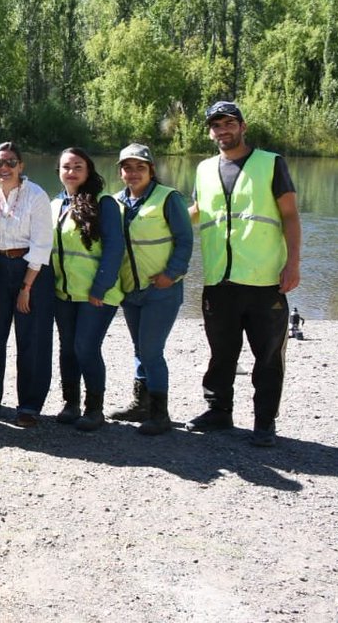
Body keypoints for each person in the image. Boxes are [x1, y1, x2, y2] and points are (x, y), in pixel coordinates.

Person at [187, 101, 301, 447]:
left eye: (229, 123)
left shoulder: (271, 163)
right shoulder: (204, 169)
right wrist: (155, 218)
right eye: (216, 125)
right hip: (218, 279)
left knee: (267, 356)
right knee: (221, 353)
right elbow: (197, 211)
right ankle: (218, 411)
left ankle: (264, 422)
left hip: (264, 280)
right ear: (210, 132)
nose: (223, 130)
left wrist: (293, 264)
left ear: (243, 126)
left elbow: (290, 215)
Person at [108, 143, 192, 436]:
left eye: (139, 167)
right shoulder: (115, 202)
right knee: (139, 348)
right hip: (130, 290)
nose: (133, 173)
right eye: (127, 168)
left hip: (161, 290)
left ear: (151, 170)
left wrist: (171, 274)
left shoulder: (168, 198)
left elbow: (185, 240)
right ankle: (141, 404)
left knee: (151, 351)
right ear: (120, 172)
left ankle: (160, 414)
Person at [0, 142, 54, 427]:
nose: (4, 168)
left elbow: (42, 245)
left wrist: (26, 287)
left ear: (21, 166)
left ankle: (29, 406)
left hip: (32, 269)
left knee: (33, 339)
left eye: (10, 163)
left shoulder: (36, 195)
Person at [50, 147, 124, 432]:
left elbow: (114, 247)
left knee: (86, 347)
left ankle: (95, 409)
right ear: (58, 171)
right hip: (64, 293)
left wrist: (100, 286)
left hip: (96, 293)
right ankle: (71, 404)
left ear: (89, 170)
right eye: (66, 167)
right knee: (67, 348)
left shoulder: (104, 203)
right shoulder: (56, 204)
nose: (71, 172)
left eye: (77, 166)